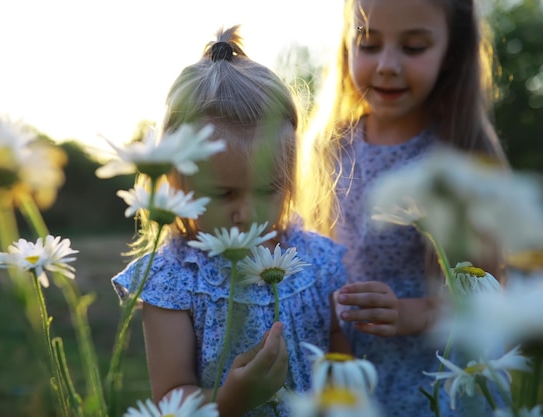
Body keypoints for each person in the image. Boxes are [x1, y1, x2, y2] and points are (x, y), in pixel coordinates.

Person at [111, 26, 350, 417]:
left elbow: (340, 354)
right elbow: (171, 396)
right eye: (223, 194)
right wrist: (231, 400)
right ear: (176, 182)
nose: (248, 213)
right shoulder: (174, 278)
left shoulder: (318, 260)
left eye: (266, 189)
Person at [297, 0, 509, 416]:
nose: (387, 65)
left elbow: (484, 291)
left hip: (437, 377)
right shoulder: (330, 148)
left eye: (413, 48)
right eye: (369, 44)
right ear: (345, 46)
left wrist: (413, 312)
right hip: (347, 371)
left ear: (452, 53)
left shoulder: (462, 161)